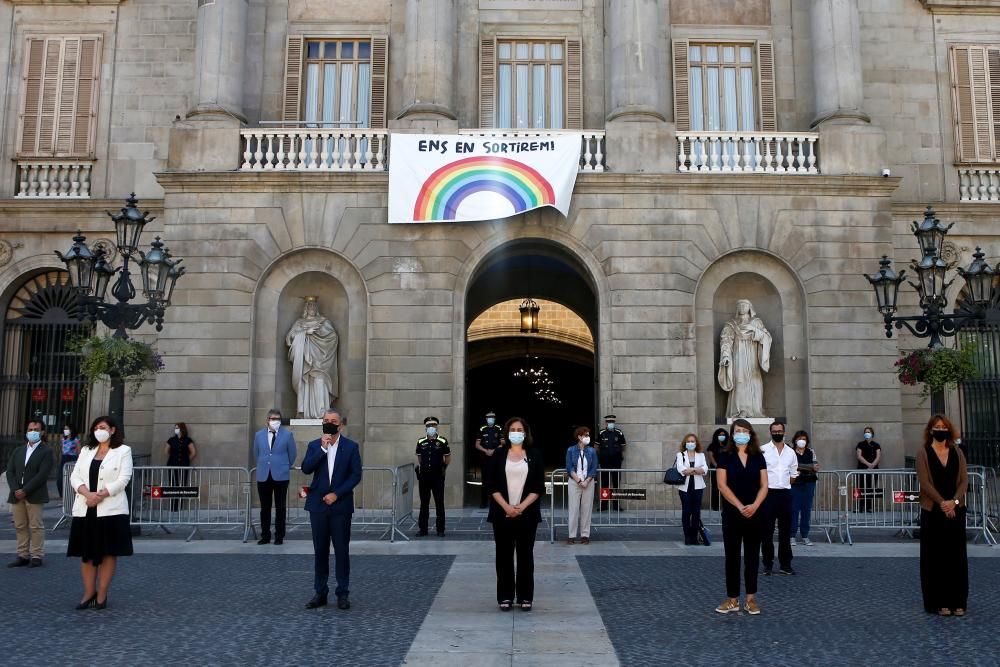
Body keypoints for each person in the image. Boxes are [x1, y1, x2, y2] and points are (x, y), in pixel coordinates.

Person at [66, 416, 133, 609]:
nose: (98, 430)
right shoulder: (86, 451)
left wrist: (101, 495)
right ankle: (88, 592)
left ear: (112, 430)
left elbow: (123, 479)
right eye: (96, 427)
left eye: (102, 427)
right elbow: (75, 475)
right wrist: (88, 494)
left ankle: (102, 593)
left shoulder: (123, 451)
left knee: (108, 552)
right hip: (86, 508)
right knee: (86, 553)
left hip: (111, 510)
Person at [301, 409, 362, 610]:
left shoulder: (351, 447)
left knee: (342, 550)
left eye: (333, 421)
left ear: (340, 425)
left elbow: (355, 475)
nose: (329, 423)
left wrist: (337, 493)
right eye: (326, 420)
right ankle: (320, 592)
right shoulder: (314, 446)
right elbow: (306, 468)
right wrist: (323, 449)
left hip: (340, 507)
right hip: (317, 507)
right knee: (320, 551)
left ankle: (342, 593)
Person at [486, 417, 544, 611]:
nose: (516, 432)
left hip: (527, 515)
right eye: (513, 429)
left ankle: (525, 597)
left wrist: (521, 507)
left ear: (525, 433)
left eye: (520, 429)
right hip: (502, 514)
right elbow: (492, 484)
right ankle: (505, 596)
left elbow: (537, 487)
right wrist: (507, 507)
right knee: (503, 556)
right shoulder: (498, 454)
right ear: (507, 433)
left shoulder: (534, 455)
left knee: (526, 556)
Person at [916, 414, 969, 616]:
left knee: (956, 557)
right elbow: (924, 481)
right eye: (937, 427)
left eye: (943, 426)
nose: (940, 429)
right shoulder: (923, 452)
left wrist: (954, 502)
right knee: (935, 557)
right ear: (931, 430)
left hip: (956, 509)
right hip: (933, 511)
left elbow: (964, 480)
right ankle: (939, 602)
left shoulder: (957, 451)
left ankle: (958, 601)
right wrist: (942, 503)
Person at [715, 419, 768, 615]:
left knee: (753, 556)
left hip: (755, 513)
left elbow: (765, 485)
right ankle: (732, 599)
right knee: (732, 557)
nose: (741, 433)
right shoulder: (725, 456)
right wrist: (739, 506)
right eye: (738, 430)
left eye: (745, 430)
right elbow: (722, 485)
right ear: (732, 433)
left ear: (750, 434)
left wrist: (754, 505)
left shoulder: (758, 457)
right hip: (732, 514)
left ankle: (751, 599)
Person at [6, 420, 53, 568]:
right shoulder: (18, 450)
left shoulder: (46, 451)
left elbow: (42, 475)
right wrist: (15, 489)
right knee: (20, 526)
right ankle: (23, 555)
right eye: (30, 429)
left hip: (34, 494)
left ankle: (37, 556)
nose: (33, 431)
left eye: (36, 429)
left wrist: (25, 490)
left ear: (42, 432)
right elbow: (10, 471)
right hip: (16, 494)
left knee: (35, 526)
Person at [253, 409, 297, 545]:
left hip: (281, 476)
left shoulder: (287, 435)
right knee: (265, 508)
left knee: (280, 507)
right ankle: (265, 535)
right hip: (264, 475)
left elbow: (293, 453)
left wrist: (283, 465)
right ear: (267, 420)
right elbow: (256, 453)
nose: (275, 421)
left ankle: (279, 536)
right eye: (272, 418)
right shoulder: (259, 435)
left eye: (278, 418)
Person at [760, 421, 798, 576]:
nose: (777, 433)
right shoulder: (763, 450)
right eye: (774, 431)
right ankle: (767, 564)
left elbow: (794, 473)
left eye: (779, 430)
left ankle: (785, 564)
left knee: (785, 531)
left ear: (784, 432)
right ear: (770, 432)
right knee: (766, 532)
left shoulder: (790, 452)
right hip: (768, 494)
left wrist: (785, 483)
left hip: (785, 495)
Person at [416, 416, 450, 537]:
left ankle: (440, 529)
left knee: (439, 502)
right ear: (426, 427)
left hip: (437, 477)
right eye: (429, 426)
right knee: (424, 503)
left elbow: (447, 458)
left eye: (433, 425)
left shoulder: (442, 441)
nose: (431, 428)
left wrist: (441, 468)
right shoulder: (421, 441)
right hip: (424, 477)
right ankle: (423, 529)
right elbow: (420, 459)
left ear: (437, 427)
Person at [565, 426, 598, 544]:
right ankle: (571, 535)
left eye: (588, 435)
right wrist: (579, 481)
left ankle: (585, 535)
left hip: (588, 482)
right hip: (574, 482)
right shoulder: (570, 450)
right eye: (586, 435)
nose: (588, 437)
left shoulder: (592, 451)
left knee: (586, 509)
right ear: (579, 437)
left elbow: (594, 467)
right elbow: (569, 467)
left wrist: (587, 481)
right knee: (573, 509)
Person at [675, 434, 708, 546]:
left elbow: (705, 469)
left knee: (696, 512)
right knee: (686, 511)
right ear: (685, 443)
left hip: (698, 487)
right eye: (688, 441)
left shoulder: (701, 455)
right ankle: (687, 537)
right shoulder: (680, 455)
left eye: (692, 441)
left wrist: (691, 470)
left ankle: (694, 537)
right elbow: (681, 469)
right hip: (685, 487)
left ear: (696, 443)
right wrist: (696, 470)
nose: (690, 443)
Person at [790, 430, 819, 546]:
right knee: (794, 509)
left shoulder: (811, 452)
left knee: (806, 510)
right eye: (799, 438)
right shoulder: (790, 452)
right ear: (795, 440)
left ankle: (805, 535)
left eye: (804, 439)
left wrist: (801, 467)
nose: (801, 441)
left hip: (809, 483)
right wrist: (808, 467)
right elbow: (792, 467)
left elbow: (816, 467)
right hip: (795, 483)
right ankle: (792, 535)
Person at [163, 422, 197, 512]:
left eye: (177, 428)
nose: (176, 429)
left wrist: (186, 460)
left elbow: (193, 452)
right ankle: (173, 507)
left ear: (182, 429)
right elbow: (166, 451)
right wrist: (173, 458)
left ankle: (180, 506)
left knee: (182, 485)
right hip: (172, 465)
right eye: (175, 428)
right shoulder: (171, 440)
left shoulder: (188, 440)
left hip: (184, 466)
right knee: (173, 485)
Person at [474, 411, 504, 508]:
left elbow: (503, 442)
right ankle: (484, 502)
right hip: (485, 459)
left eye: (492, 417)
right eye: (488, 418)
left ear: (495, 419)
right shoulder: (482, 429)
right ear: (486, 419)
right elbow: (477, 445)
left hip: (496, 459)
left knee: (496, 480)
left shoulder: (499, 428)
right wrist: (485, 451)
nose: (490, 419)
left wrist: (494, 451)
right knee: (485, 481)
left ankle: (497, 501)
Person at [597, 414, 626, 511]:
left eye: (612, 422)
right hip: (605, 462)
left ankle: (616, 506)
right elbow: (596, 446)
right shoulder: (601, 433)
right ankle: (603, 506)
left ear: (614, 422)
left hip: (616, 462)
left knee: (616, 483)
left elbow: (623, 446)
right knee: (605, 483)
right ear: (606, 422)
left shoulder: (619, 433)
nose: (610, 423)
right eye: (609, 422)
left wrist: (617, 453)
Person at [855, 426, 881, 512]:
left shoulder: (876, 445)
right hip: (862, 469)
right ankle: (860, 507)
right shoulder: (860, 444)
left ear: (872, 434)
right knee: (860, 487)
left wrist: (872, 465)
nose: (867, 433)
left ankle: (869, 507)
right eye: (865, 432)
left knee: (871, 488)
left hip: (873, 470)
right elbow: (859, 456)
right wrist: (868, 464)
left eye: (869, 432)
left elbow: (878, 457)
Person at [706, 428, 728, 512]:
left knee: (726, 487)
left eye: (723, 435)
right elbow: (710, 456)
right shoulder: (712, 446)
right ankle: (715, 506)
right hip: (715, 470)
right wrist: (716, 466)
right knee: (715, 488)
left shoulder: (728, 445)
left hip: (726, 470)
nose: (721, 436)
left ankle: (725, 505)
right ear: (716, 436)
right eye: (720, 435)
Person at [58, 425, 80, 499]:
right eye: (64, 429)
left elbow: (78, 452)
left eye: (67, 429)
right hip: (64, 458)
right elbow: (62, 450)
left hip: (72, 459)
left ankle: (70, 495)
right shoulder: (63, 439)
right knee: (60, 479)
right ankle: (62, 496)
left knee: (70, 478)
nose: (65, 430)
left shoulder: (76, 440)